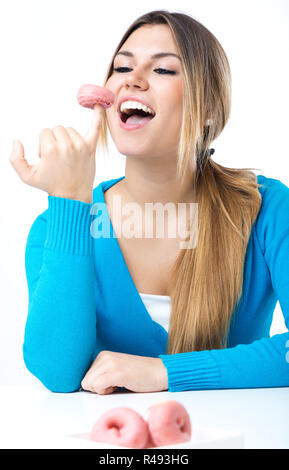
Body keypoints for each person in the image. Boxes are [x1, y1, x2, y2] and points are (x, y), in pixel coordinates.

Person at [10, 10, 289, 394]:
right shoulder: (58, 225)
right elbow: (57, 373)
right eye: (122, 67)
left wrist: (163, 373)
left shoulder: (268, 209)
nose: (132, 81)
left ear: (207, 106)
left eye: (163, 71)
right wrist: (70, 202)